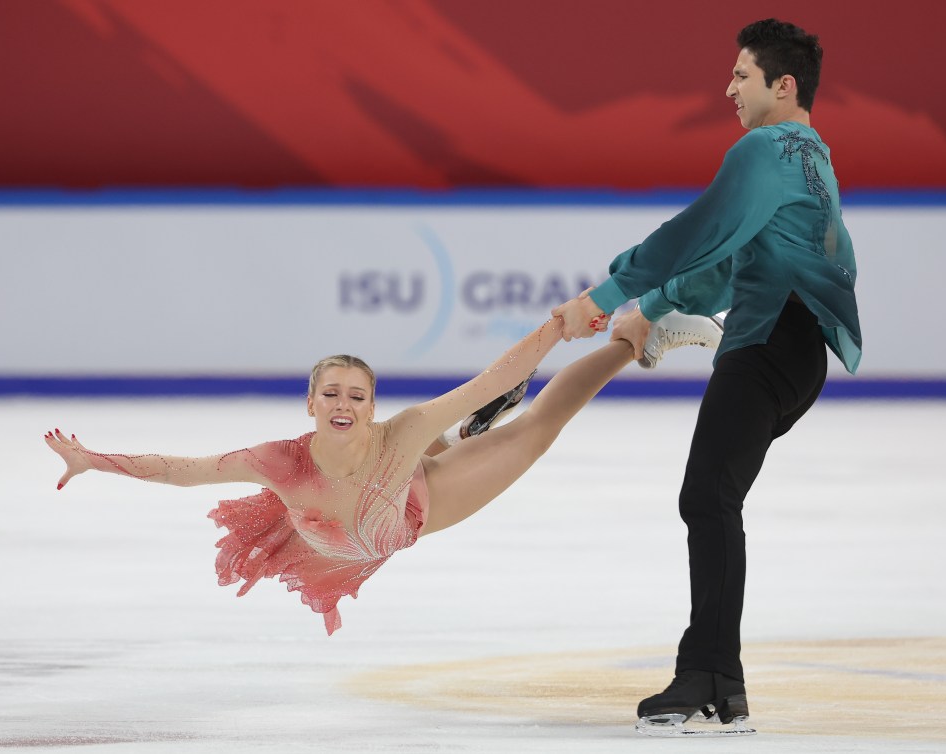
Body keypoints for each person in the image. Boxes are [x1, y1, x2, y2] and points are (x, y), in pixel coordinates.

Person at [553, 18, 862, 736]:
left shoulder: (766, 146)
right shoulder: (810, 156)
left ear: (783, 86)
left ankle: (707, 675)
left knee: (707, 499)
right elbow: (728, 259)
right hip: (790, 351)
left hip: (766, 343)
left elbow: (697, 231)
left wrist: (603, 299)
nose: (727, 88)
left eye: (741, 76)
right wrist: (651, 309)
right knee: (711, 499)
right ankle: (720, 684)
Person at [45, 315, 719, 635]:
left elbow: (500, 373)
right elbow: (182, 471)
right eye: (331, 394)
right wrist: (91, 460)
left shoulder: (402, 429)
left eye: (356, 396)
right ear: (311, 404)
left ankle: (635, 337)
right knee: (430, 460)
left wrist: (559, 324)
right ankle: (471, 434)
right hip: (358, 514)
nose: (343, 405)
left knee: (535, 429)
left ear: (372, 405)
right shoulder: (279, 460)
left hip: (412, 504)